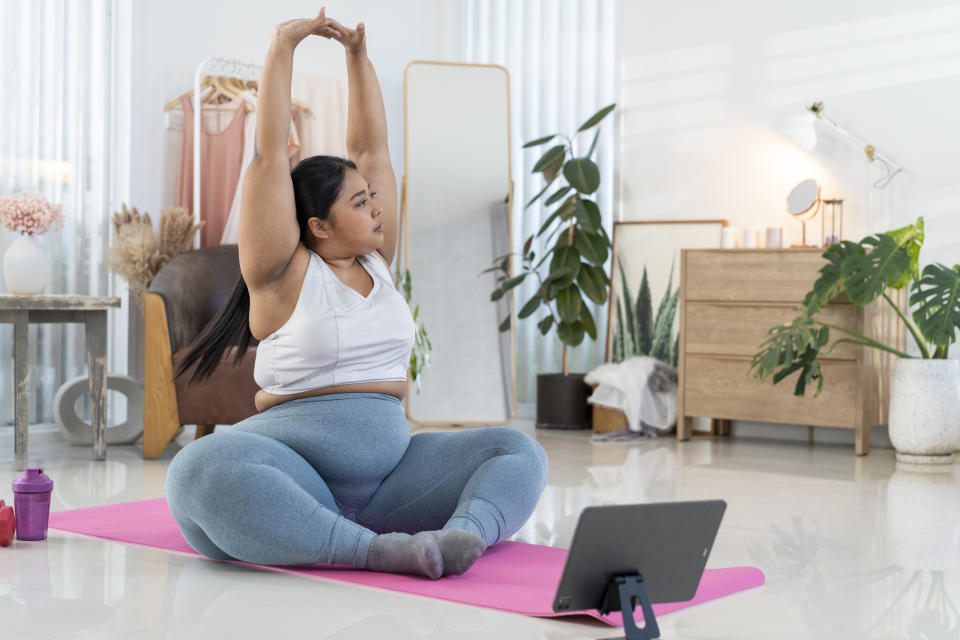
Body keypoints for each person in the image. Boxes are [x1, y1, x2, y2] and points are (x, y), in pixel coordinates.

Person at [164, 9, 548, 580]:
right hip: (293, 470)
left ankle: (461, 535)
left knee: (519, 452)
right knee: (198, 471)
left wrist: (358, 56)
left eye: (374, 198)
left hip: (395, 478)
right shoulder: (280, 274)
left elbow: (373, 150)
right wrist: (282, 48)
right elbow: (270, 155)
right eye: (360, 202)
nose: (377, 208)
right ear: (318, 224)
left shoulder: (378, 260)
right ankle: (370, 551)